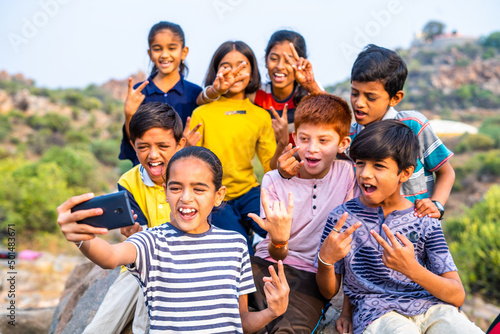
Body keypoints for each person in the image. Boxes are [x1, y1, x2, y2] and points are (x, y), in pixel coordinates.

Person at [57, 146, 290, 333]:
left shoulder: (235, 245)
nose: (186, 198)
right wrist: (81, 237)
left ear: (218, 196)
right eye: (176, 188)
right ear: (166, 192)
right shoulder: (151, 242)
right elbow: (109, 257)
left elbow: (241, 321)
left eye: (199, 189)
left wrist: (272, 312)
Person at [316, 120, 483, 334]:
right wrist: (325, 260)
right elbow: (329, 292)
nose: (365, 174)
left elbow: (457, 294)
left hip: (433, 309)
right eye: (360, 163)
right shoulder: (342, 218)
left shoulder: (423, 218)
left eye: (378, 165)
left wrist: (410, 268)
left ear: (405, 173)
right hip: (377, 312)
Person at [280, 44, 455, 220]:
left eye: (370, 97)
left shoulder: (414, 125)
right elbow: (331, 128)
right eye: (354, 93)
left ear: (395, 98)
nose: (359, 103)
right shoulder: (352, 137)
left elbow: (446, 172)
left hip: (417, 231)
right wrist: (311, 86)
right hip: (372, 235)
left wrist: (437, 205)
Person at [248, 93, 359, 333]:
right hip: (264, 264)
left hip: (309, 275)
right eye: (304, 138)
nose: (312, 149)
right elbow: (275, 250)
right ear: (294, 137)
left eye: (323, 140)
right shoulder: (274, 180)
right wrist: (279, 239)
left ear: (342, 144)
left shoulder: (349, 174)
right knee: (235, 320)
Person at [83, 102, 185, 333]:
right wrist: (134, 235)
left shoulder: (189, 177)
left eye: (162, 145)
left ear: (180, 145)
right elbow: (137, 234)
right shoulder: (129, 181)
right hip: (137, 266)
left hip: (179, 264)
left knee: (144, 322)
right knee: (99, 326)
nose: (153, 155)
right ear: (133, 146)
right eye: (143, 147)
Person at [190, 41, 282, 252]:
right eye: (226, 66)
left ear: (252, 71)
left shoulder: (259, 116)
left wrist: (283, 145)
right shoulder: (201, 114)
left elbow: (270, 167)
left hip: (249, 192)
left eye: (242, 66)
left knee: (279, 232)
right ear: (216, 72)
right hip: (217, 198)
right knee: (240, 248)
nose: (234, 73)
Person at [198, 30, 323, 147]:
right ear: (265, 59)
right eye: (274, 59)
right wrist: (215, 90)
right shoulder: (257, 94)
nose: (279, 66)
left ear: (301, 62)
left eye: (288, 60)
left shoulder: (311, 94)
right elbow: (201, 101)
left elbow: (336, 118)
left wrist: (311, 86)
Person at [120, 21, 202, 165]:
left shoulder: (195, 93)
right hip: (147, 172)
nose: (164, 55)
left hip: (183, 171)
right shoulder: (139, 92)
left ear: (184, 52)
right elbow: (133, 140)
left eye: (171, 48)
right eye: (157, 49)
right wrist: (129, 114)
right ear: (150, 53)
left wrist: (186, 145)